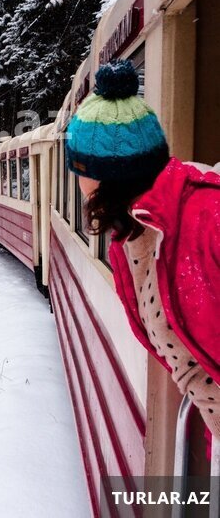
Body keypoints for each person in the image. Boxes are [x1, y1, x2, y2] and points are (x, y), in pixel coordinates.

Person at [65, 58, 220, 441]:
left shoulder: (208, 219)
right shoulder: (132, 234)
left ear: (105, 174)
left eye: (80, 169)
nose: (78, 181)